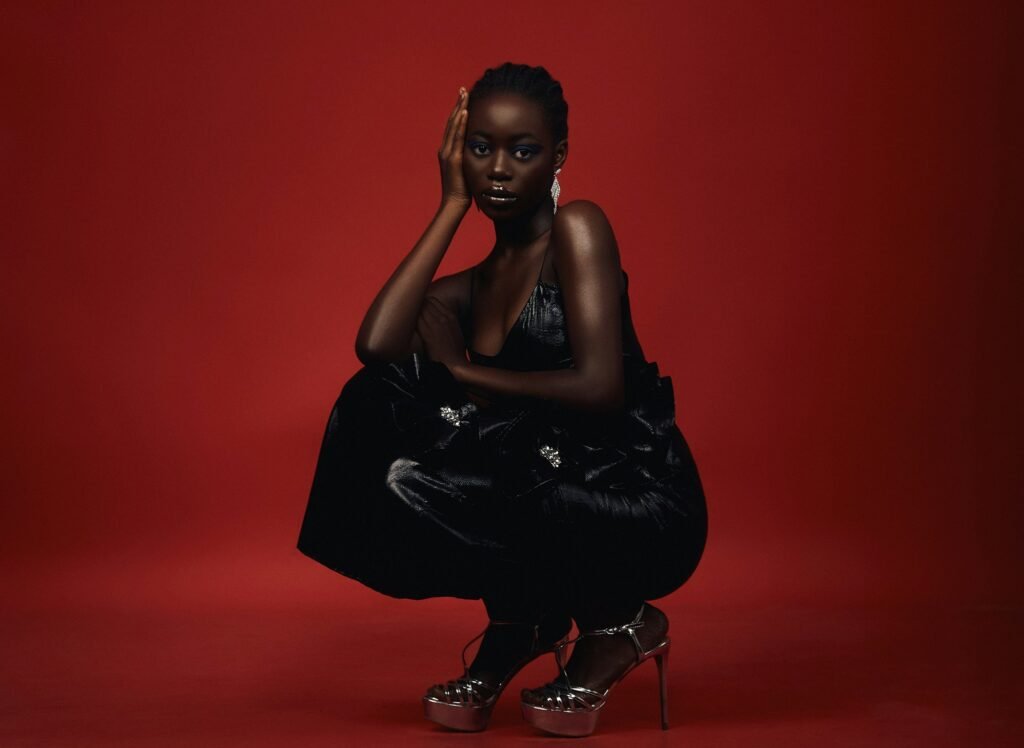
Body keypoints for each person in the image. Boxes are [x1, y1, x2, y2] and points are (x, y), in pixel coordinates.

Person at [296, 62, 708, 737]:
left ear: (557, 156)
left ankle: (621, 623)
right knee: (386, 420)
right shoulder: (473, 287)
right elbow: (376, 346)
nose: (497, 169)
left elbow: (599, 389)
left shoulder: (577, 229)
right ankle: (526, 617)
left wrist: (467, 374)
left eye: (523, 151)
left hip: (638, 501)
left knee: (495, 461)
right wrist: (449, 207)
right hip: (541, 490)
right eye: (481, 148)